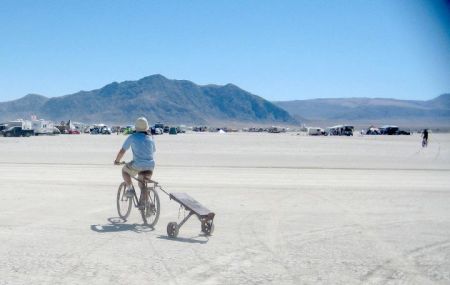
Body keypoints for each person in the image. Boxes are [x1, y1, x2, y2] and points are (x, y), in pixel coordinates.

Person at [114, 117, 156, 208]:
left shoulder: (132, 137)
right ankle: (145, 204)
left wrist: (117, 161)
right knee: (142, 184)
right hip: (150, 165)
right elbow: (153, 151)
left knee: (124, 170)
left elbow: (122, 151)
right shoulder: (150, 138)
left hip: (138, 164)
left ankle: (129, 189)